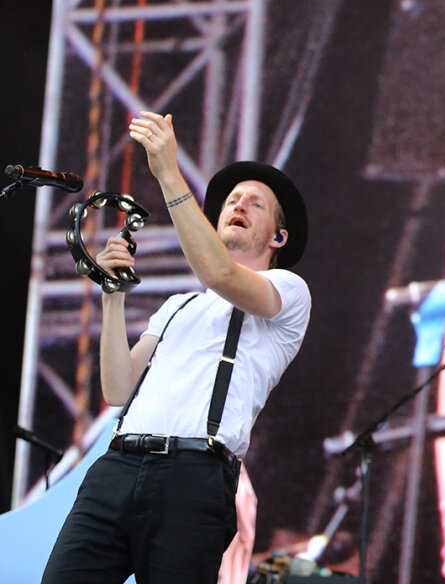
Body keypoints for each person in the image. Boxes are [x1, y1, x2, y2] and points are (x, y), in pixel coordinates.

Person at [41, 110, 312, 584]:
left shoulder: (289, 290)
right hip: (118, 466)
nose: (239, 205)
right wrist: (113, 295)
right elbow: (119, 389)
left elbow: (220, 274)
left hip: (193, 476)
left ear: (278, 236)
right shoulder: (178, 305)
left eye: (256, 203)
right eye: (232, 199)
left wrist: (168, 172)